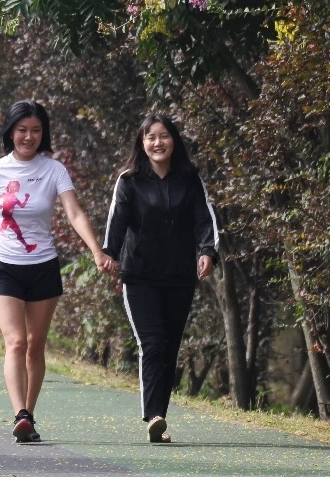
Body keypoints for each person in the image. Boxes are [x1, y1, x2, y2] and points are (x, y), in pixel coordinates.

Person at [0, 100, 117, 443]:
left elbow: (74, 213)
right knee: (15, 341)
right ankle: (19, 413)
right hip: (5, 266)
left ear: (43, 133)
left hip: (43, 266)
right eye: (22, 130)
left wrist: (96, 250)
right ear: (10, 132)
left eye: (35, 130)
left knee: (35, 346)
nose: (28, 137)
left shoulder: (54, 170)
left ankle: (28, 416)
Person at [101, 112, 219, 444]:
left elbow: (203, 220)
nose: (158, 143)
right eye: (151, 137)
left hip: (180, 277)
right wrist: (109, 254)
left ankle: (159, 420)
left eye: (164, 136)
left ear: (174, 140)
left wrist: (207, 251)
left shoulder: (190, 178)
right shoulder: (129, 180)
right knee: (152, 344)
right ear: (142, 143)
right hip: (139, 276)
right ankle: (153, 414)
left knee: (169, 347)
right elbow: (117, 221)